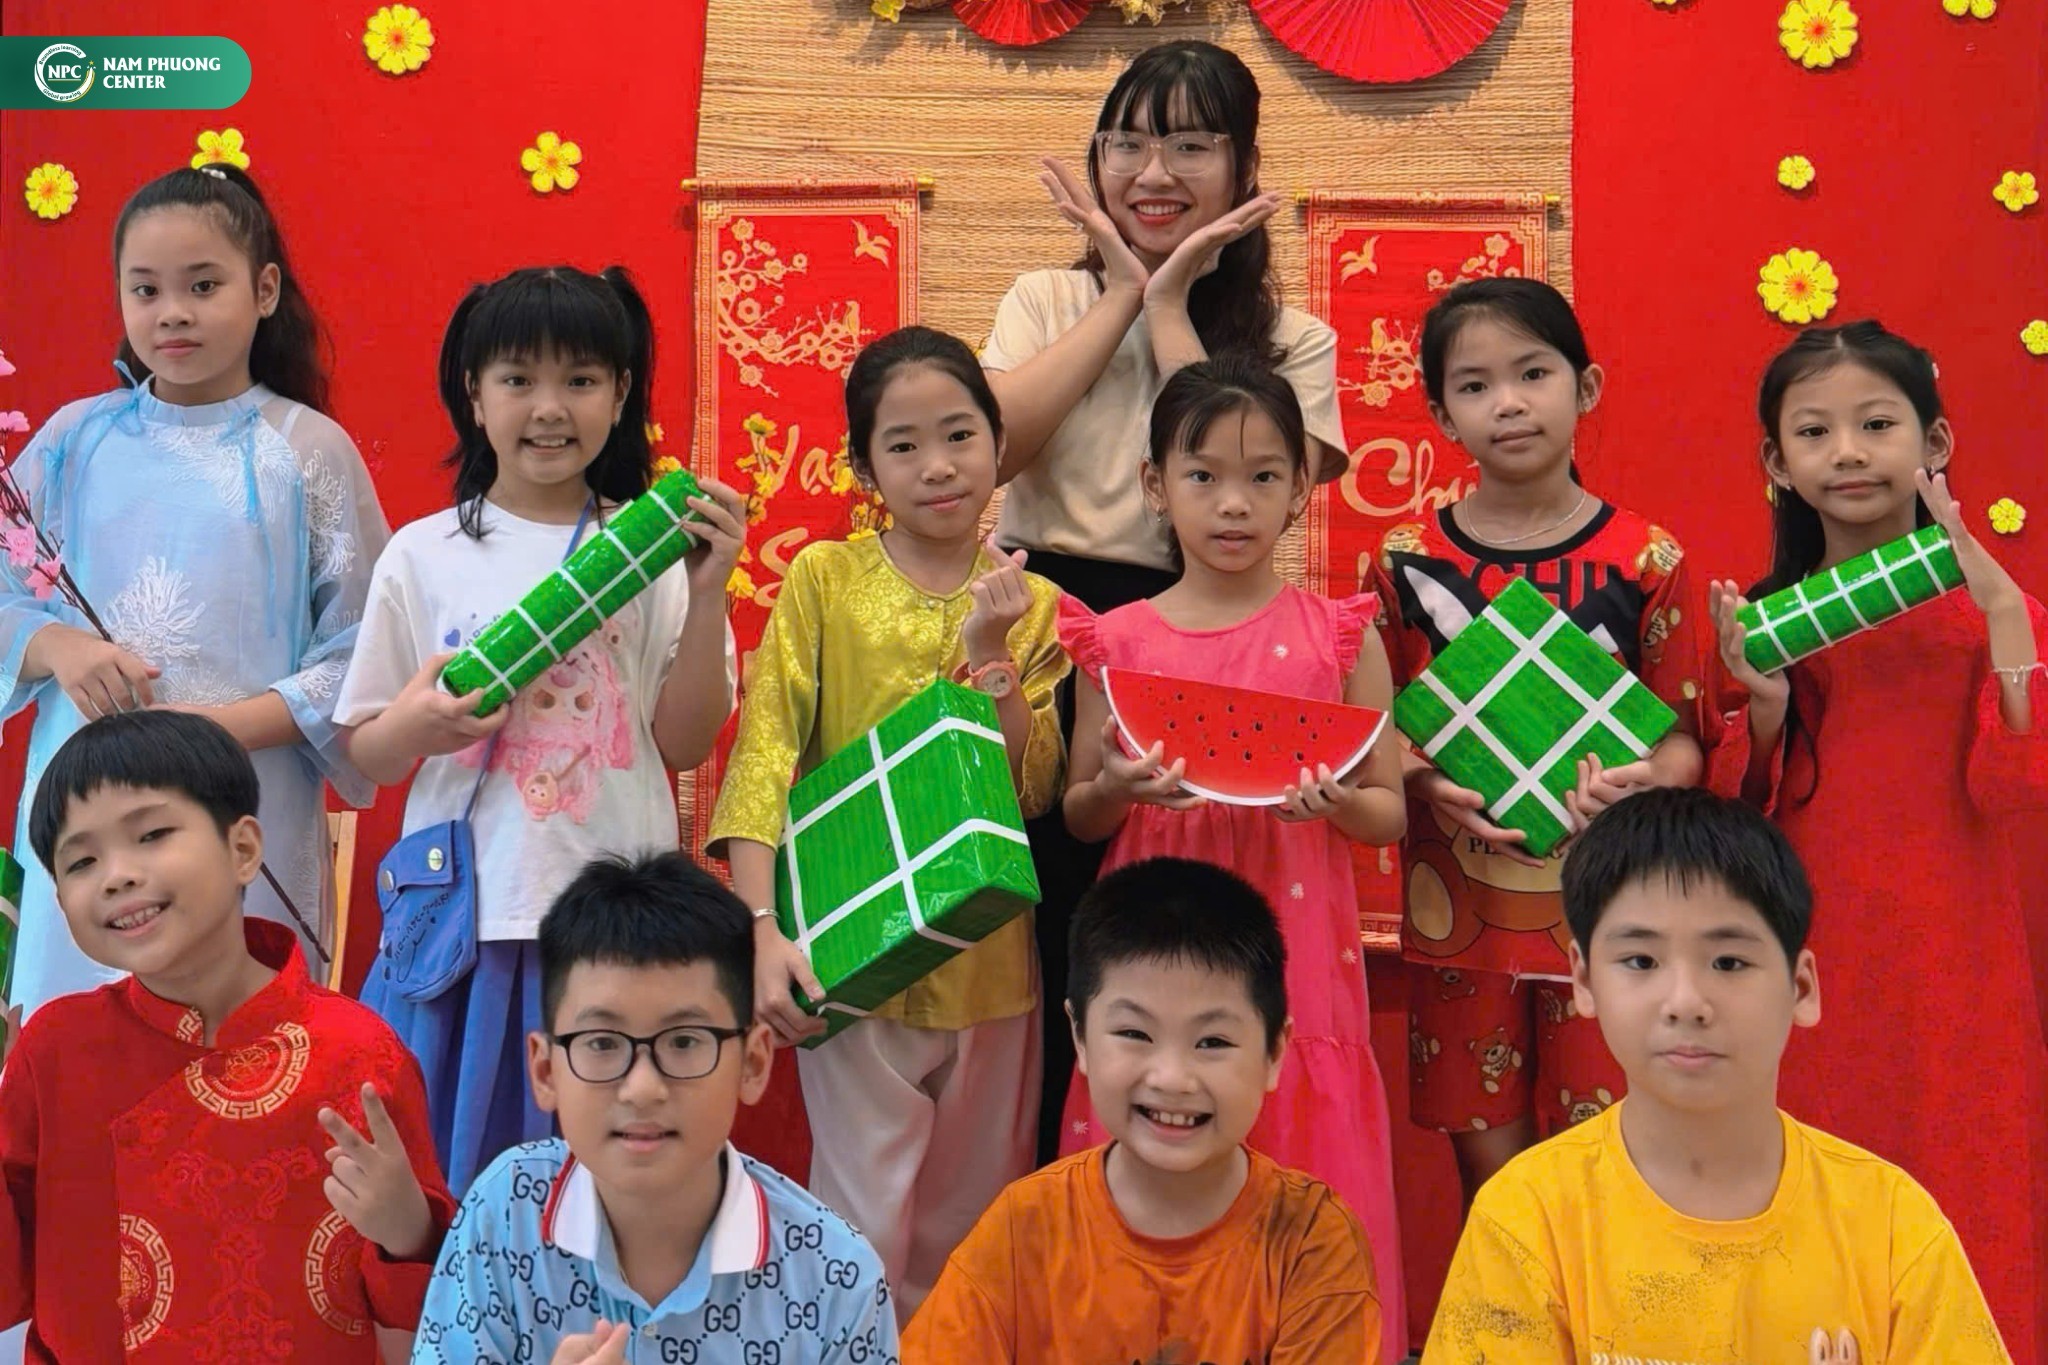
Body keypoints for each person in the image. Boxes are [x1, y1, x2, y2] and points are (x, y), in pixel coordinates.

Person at [979, 39, 1347, 1157]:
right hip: (1043, 631)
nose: (1152, 171)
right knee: (1045, 946)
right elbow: (998, 447)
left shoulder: (1294, 339)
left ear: (1242, 167)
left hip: (1196, 630)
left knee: (1188, 948)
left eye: (1190, 145)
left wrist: (1175, 297)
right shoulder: (1045, 297)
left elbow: (1245, 454)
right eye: (1127, 143)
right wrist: (1121, 294)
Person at [336, 265, 745, 1194]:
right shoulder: (423, 552)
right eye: (518, 378)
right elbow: (365, 749)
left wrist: (710, 588)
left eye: (581, 379)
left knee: (611, 1182)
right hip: (471, 924)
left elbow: (684, 743)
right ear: (474, 394)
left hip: (615, 925)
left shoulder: (651, 549)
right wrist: (421, 721)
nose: (549, 407)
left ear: (621, 395)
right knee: (463, 1177)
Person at [1706, 320, 2048, 1358]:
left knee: (1966, 1170)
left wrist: (2002, 613)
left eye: (1876, 425)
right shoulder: (1769, 623)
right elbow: (1739, 817)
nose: (1847, 452)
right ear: (1776, 462)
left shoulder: (1990, 611)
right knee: (1813, 1178)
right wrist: (1765, 704)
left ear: (1933, 443)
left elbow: (2013, 785)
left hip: (1958, 955)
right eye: (1813, 431)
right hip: (1812, 952)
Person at [1055, 353, 1406, 1359]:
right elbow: (1080, 812)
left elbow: (1387, 812)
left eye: (1262, 476)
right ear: (1155, 484)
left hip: (1297, 949)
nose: (1233, 502)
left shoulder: (1341, 638)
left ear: (1301, 488)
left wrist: (1339, 802)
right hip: (1154, 933)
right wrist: (1119, 788)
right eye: (1203, 475)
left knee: (1298, 1130)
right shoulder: (1115, 643)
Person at [711, 325, 1068, 1315]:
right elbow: (763, 757)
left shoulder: (1037, 602)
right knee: (856, 1231)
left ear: (999, 443)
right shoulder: (825, 579)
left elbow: (1029, 787)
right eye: (902, 445)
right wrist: (762, 928)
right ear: (864, 467)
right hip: (851, 957)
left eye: (959, 434)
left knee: (973, 1241)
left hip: (992, 963)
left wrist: (991, 652)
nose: (937, 466)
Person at [1425, 787, 2009, 1363]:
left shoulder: (1890, 1223)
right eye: (1641, 961)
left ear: (1801, 987)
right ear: (1583, 980)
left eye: (1729, 962)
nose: (1685, 1001)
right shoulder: (1527, 1217)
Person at [0, 164, 387, 1014]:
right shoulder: (73, 440)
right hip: (87, 811)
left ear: (265, 289)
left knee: (238, 1042)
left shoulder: (307, 450)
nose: (172, 312)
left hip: (241, 804)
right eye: (146, 290)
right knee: (80, 1046)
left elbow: (365, 655)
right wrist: (56, 645)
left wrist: (214, 732)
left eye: (203, 286)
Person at [1369, 276, 1705, 1200]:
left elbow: (1686, 742)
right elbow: (1373, 732)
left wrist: (1646, 779)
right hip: (1458, 916)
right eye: (1475, 386)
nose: (1508, 403)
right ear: (1441, 413)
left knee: (1614, 1169)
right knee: (1492, 1182)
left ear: (1585, 387)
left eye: (1533, 373)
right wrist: (1420, 778)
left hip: (1612, 915)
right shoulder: (1402, 560)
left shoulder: (1648, 557)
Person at [0, 710, 454, 1361]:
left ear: (242, 849)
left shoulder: (358, 1051)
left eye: (151, 834)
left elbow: (431, 1314)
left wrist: (407, 1230)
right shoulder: (54, 1048)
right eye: (82, 861)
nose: (117, 874)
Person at [412, 850, 898, 1362]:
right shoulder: (505, 1214)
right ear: (546, 1071)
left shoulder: (837, 1281)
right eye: (603, 1043)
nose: (642, 1088)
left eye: (684, 1042)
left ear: (753, 1063)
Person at [908, 857, 1381, 1363]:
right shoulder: (1025, 1228)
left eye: (1213, 1041)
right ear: (1080, 1036)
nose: (1172, 1078)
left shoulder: (1311, 1242)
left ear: (1275, 1052)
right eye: (1135, 1033)